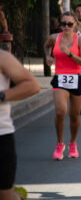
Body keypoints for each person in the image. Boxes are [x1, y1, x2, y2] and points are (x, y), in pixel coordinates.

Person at [44, 11, 81, 160]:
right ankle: (59, 144)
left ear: (75, 24)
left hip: (77, 78)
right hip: (60, 78)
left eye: (70, 24)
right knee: (60, 112)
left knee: (74, 115)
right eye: (63, 24)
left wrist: (71, 54)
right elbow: (46, 45)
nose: (66, 26)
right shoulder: (54, 38)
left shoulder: (80, 40)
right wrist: (48, 55)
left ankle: (73, 143)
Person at [0, 50, 39, 200]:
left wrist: (3, 95)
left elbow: (32, 85)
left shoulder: (3, 58)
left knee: (5, 196)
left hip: (1, 135)